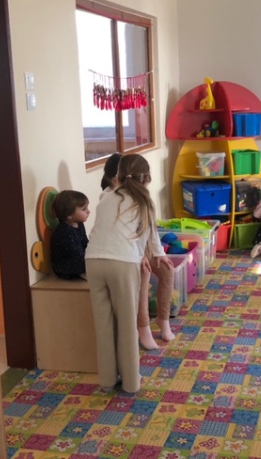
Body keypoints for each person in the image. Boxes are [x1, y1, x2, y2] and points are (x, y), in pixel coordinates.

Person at [86, 154, 173, 393]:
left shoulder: (106, 198)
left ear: (118, 175)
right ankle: (131, 383)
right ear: (147, 178)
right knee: (126, 324)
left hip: (93, 261)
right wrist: (157, 254)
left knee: (104, 325)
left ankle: (107, 381)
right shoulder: (144, 202)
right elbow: (150, 234)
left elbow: (105, 231)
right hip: (121, 263)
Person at [100, 152, 174, 351]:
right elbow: (122, 235)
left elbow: (151, 228)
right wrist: (141, 256)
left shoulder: (142, 198)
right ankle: (143, 325)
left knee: (167, 270)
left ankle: (163, 319)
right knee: (144, 274)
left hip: (142, 247)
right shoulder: (109, 197)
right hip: (127, 252)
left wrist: (159, 253)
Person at [50, 190, 90, 280]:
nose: (88, 211)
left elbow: (85, 243)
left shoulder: (79, 224)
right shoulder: (64, 231)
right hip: (65, 267)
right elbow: (76, 254)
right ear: (69, 214)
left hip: (78, 259)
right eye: (84, 209)